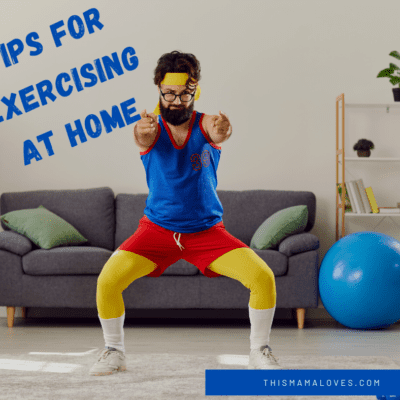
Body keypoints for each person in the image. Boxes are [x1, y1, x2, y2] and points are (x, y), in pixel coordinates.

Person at [89, 50, 282, 376]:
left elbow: (217, 132)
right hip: (156, 231)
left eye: (185, 93)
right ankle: (114, 351)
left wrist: (224, 130)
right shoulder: (149, 127)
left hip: (206, 232)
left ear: (195, 91)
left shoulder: (206, 124)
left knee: (262, 278)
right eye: (169, 94)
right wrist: (143, 132)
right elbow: (141, 136)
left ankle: (259, 350)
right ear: (159, 91)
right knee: (108, 280)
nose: (177, 100)